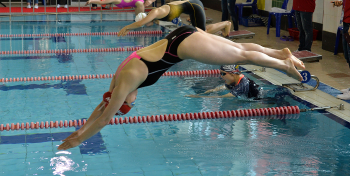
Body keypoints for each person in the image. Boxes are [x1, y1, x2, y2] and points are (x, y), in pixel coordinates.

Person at [57, 25, 305, 150]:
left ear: (125, 99)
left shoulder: (128, 82)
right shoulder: (117, 82)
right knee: (239, 51)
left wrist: (79, 141)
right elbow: (101, 108)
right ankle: (278, 53)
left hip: (183, 45)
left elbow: (104, 119)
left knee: (240, 57)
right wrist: (77, 133)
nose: (134, 102)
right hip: (182, 34)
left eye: (129, 104)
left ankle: (284, 65)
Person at [117, 0, 231, 37]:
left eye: (144, 24)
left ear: (144, 20)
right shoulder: (156, 19)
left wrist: (127, 28)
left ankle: (226, 24)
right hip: (191, 7)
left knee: (202, 32)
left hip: (194, 6)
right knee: (197, 32)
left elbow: (138, 24)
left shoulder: (155, 12)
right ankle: (222, 28)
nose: (145, 26)